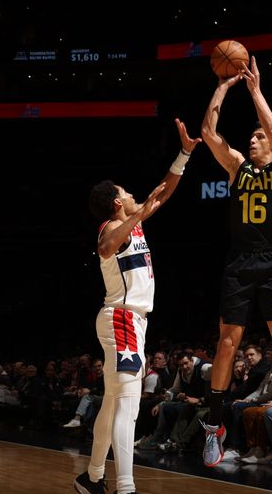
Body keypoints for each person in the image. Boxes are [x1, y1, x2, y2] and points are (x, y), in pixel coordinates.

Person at [73, 118, 200, 494]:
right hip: (122, 319)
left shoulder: (135, 221)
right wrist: (139, 213)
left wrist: (185, 153)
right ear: (117, 202)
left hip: (131, 321)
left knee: (113, 403)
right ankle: (125, 487)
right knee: (128, 405)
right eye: (127, 193)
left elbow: (165, 190)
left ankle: (92, 477)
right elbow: (106, 246)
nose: (134, 196)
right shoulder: (109, 230)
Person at [198, 56, 272, 469]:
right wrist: (224, 86)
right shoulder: (237, 169)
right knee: (226, 344)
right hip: (240, 264)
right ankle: (214, 428)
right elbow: (209, 132)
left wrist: (255, 90)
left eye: (258, 136)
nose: (253, 139)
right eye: (251, 136)